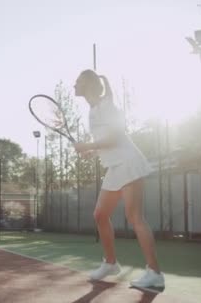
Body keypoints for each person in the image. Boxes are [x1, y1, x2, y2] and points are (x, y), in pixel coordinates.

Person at [72, 69, 164, 292]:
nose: (74, 85)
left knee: (135, 218)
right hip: (115, 166)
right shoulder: (93, 110)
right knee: (100, 215)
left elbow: (116, 136)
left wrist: (88, 146)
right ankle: (111, 263)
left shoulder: (106, 107)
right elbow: (107, 140)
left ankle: (155, 274)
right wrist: (92, 152)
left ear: (88, 85)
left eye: (78, 81)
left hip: (128, 162)